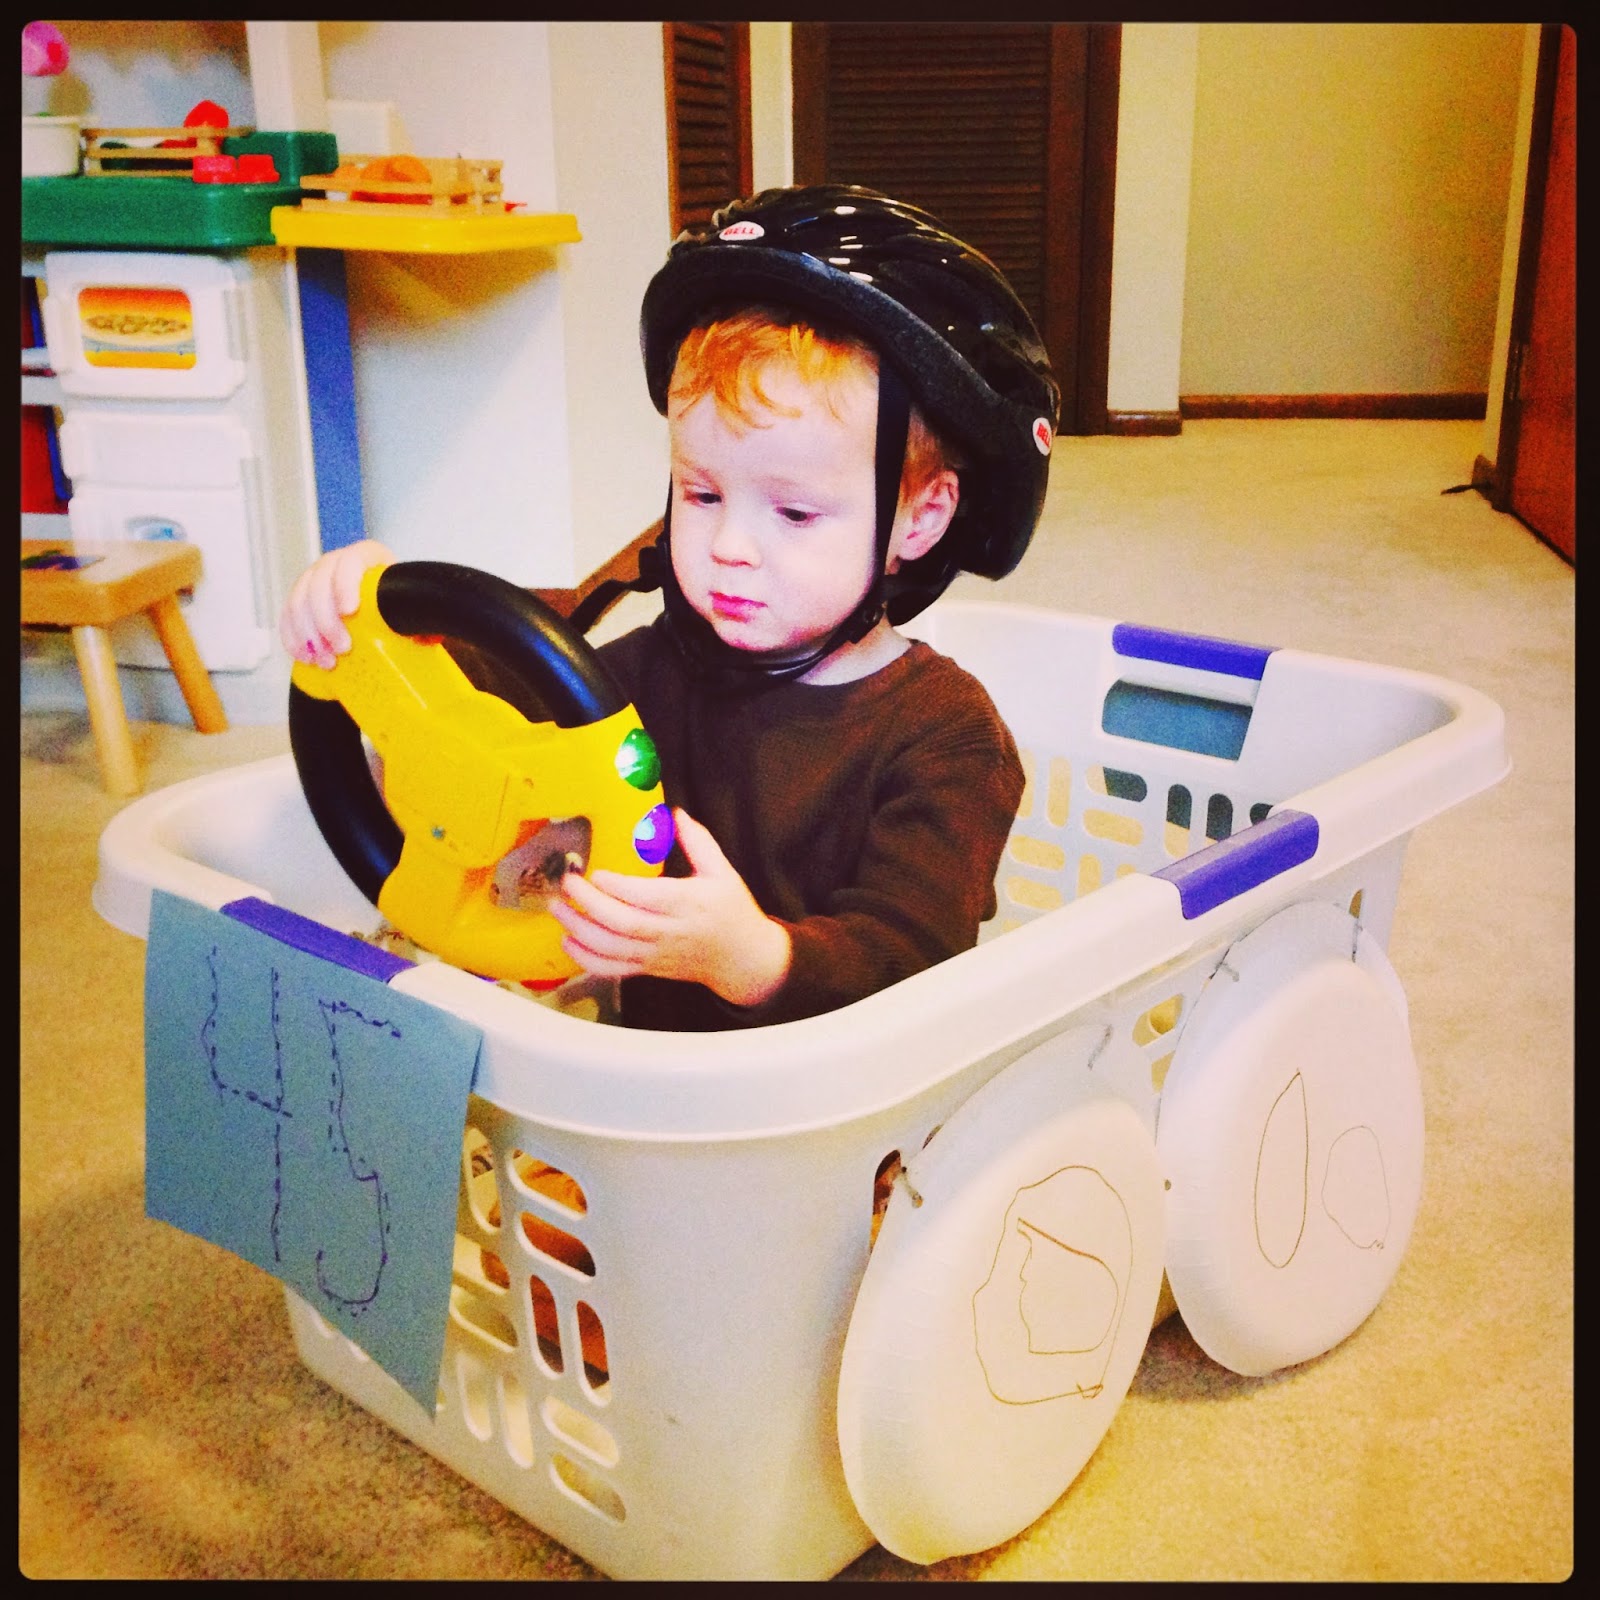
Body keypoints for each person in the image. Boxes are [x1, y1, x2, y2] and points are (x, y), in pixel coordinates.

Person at [281, 184, 1060, 1031]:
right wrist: (369, 614)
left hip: (848, 1123)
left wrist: (754, 959)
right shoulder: (640, 676)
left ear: (921, 517)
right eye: (701, 492)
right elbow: (472, 718)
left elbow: (917, 961)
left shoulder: (948, 733)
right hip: (651, 1094)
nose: (729, 545)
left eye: (794, 513)